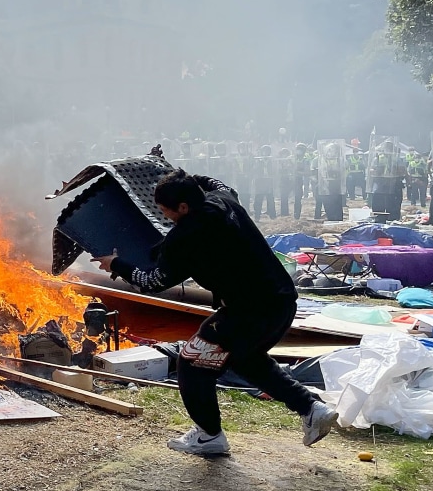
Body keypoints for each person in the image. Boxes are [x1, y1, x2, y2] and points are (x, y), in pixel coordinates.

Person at [91, 169, 339, 456]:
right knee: (245, 360)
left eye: (164, 210)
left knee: (191, 362)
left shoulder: (186, 238)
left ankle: (209, 436)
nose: (163, 215)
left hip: (248, 312)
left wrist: (116, 264)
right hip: (282, 302)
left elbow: (153, 281)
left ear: (183, 207)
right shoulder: (224, 199)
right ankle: (311, 408)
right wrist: (170, 173)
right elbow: (213, 182)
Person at [252, 144, 276, 220]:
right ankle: (257, 216)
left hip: (269, 181)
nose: (265, 152)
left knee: (270, 199)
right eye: (264, 151)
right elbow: (254, 170)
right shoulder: (258, 160)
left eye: (267, 151)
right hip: (260, 181)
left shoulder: (272, 161)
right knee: (258, 199)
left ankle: (272, 216)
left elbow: (275, 170)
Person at [278, 146, 301, 219]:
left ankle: (296, 214)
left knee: (296, 197)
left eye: (285, 153)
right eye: (283, 154)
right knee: (283, 197)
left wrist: (290, 163)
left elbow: (294, 168)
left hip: (292, 180)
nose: (284, 155)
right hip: (284, 180)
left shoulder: (291, 159)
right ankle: (284, 213)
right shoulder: (279, 161)